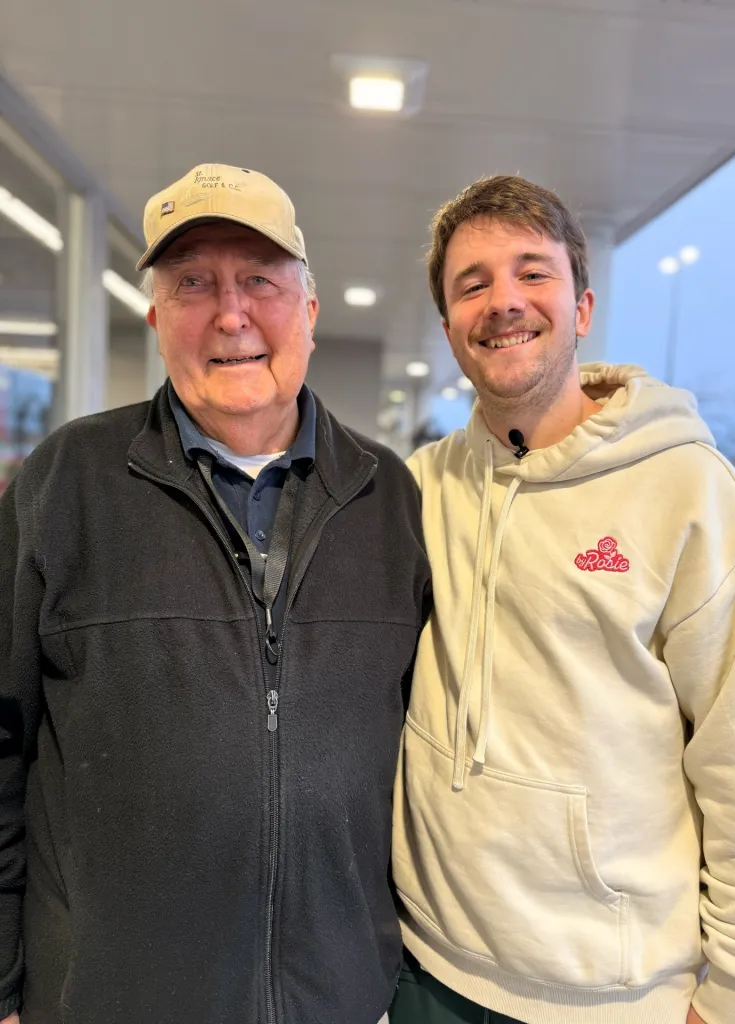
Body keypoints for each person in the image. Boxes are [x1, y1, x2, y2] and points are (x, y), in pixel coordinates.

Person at [0, 163, 430, 1024]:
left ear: (308, 309)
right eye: (193, 282)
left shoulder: (387, 497)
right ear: (157, 317)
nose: (230, 314)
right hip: (108, 1000)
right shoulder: (67, 483)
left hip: (338, 1000)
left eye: (259, 281)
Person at [390, 174, 735, 1024]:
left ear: (583, 306)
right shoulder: (418, 491)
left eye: (533, 272)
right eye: (472, 283)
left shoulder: (690, 493)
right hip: (426, 967)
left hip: (617, 996)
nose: (503, 302)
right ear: (449, 326)